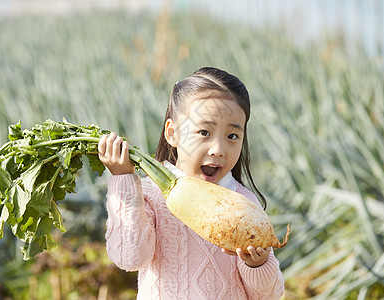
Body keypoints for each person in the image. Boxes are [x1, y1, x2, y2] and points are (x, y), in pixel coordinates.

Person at [98, 67, 285, 299]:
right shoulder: (148, 194)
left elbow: (270, 295)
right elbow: (129, 257)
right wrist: (123, 179)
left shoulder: (243, 203)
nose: (218, 150)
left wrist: (258, 264)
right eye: (204, 132)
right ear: (172, 133)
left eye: (232, 136)